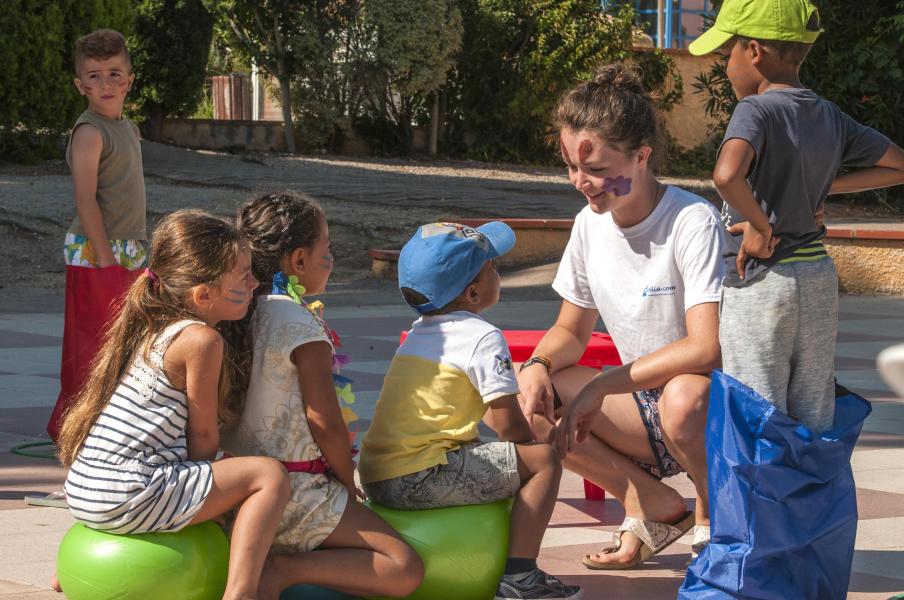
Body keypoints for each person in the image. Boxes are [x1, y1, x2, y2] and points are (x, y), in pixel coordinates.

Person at [519, 64, 724, 569]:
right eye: (571, 166)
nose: (581, 183)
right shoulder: (590, 226)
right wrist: (538, 367)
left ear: (642, 155)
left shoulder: (691, 220)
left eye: (594, 168)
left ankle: (715, 511)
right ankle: (649, 503)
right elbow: (571, 329)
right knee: (521, 402)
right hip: (641, 408)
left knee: (682, 396)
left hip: (704, 410)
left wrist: (600, 386)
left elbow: (705, 350)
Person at [688, 0, 904, 432]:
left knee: (757, 419)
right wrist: (822, 186)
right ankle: (808, 500)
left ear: (753, 51)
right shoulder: (828, 114)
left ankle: (761, 502)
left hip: (763, 283)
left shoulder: (755, 109)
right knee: (814, 418)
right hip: (818, 279)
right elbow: (898, 163)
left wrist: (760, 226)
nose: (724, 64)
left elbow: (727, 175)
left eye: (726, 52)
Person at [56, 210, 290, 600]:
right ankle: (242, 593)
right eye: (244, 274)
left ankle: (65, 574)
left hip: (84, 490)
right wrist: (211, 490)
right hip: (129, 492)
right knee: (268, 475)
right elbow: (202, 433)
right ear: (203, 295)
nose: (255, 283)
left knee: (228, 473)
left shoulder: (154, 327)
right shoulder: (201, 340)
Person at [358, 221, 583, 600]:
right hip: (420, 475)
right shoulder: (482, 337)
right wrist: (532, 445)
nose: (498, 273)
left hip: (377, 476)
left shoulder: (417, 334)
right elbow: (510, 424)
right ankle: (521, 578)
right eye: (492, 268)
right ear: (474, 293)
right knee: (542, 462)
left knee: (505, 459)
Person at [221, 192, 423, 600]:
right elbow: (325, 419)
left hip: (238, 493)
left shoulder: (236, 311)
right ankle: (280, 570)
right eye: (326, 248)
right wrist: (346, 482)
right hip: (296, 491)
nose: (331, 257)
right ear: (298, 261)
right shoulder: (298, 321)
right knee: (403, 567)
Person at [47, 29, 149, 444]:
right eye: (94, 76)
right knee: (91, 341)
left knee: (125, 341)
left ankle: (112, 424)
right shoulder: (89, 132)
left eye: (114, 73)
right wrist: (106, 257)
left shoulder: (128, 128)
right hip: (96, 251)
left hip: (129, 248)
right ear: (80, 85)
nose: (105, 84)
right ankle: (77, 427)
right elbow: (85, 200)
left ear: (129, 80)